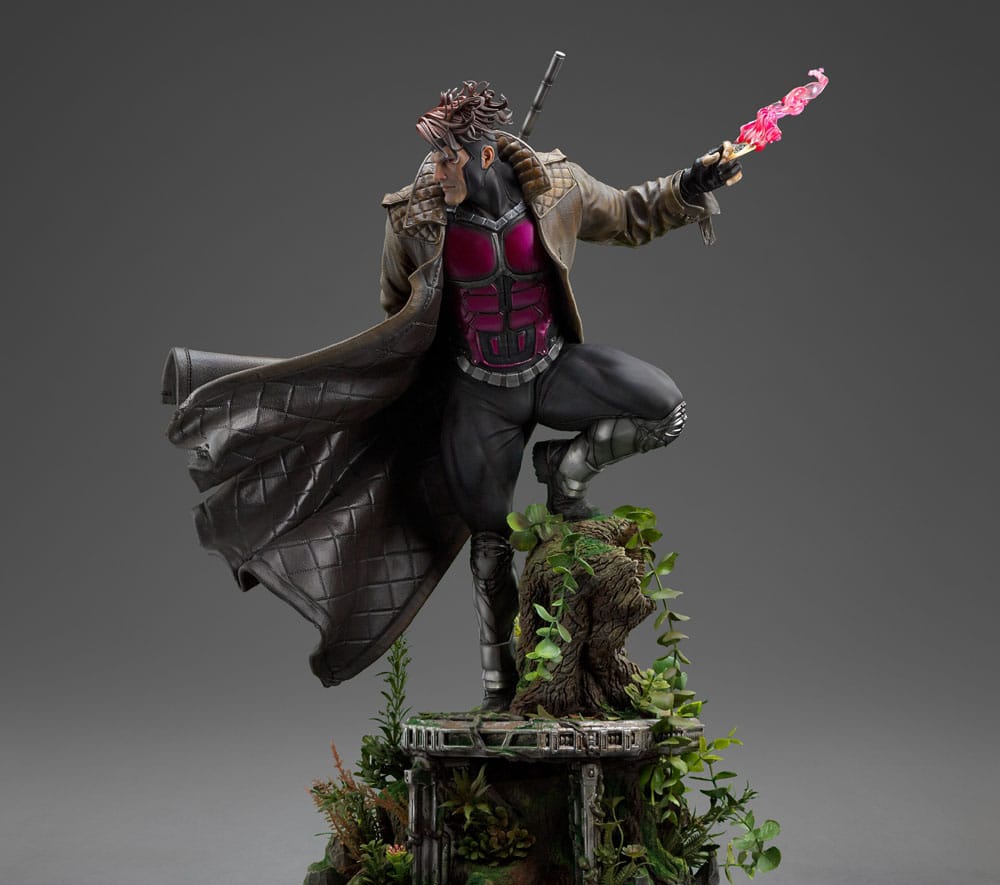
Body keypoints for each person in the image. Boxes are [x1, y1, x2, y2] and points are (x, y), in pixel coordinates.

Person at [163, 80, 740, 709]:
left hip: (552, 366)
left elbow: (628, 214)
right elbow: (396, 314)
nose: (436, 171)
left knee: (665, 409)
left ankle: (566, 472)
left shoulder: (556, 187)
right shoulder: (416, 218)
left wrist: (690, 185)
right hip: (479, 396)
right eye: (434, 157)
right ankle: (501, 691)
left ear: (484, 154)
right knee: (490, 548)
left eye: (447, 158)